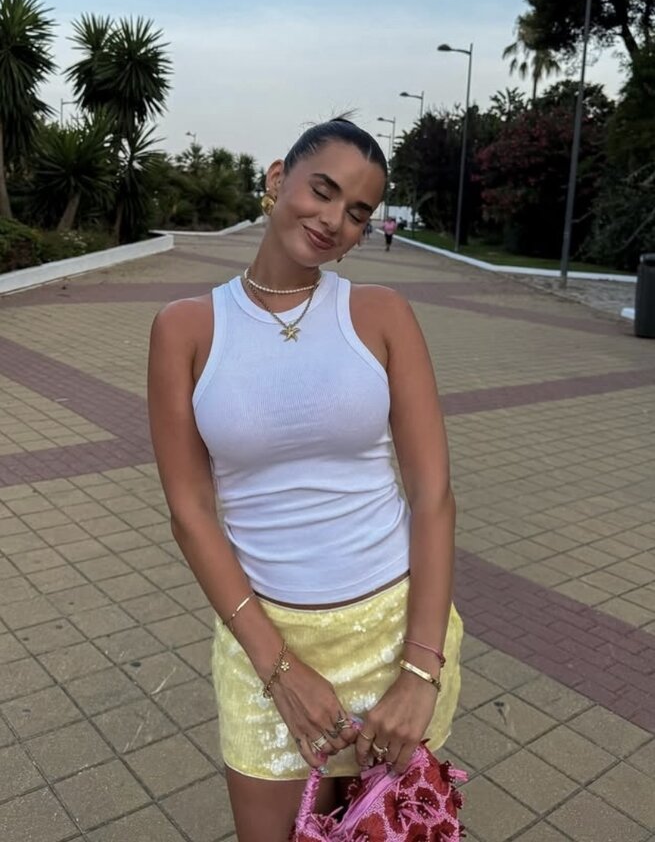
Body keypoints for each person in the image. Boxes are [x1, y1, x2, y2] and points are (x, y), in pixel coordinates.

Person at [148, 119, 462, 842]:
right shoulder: (186, 329)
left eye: (356, 212)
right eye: (322, 191)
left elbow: (433, 496)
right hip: (265, 640)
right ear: (276, 179)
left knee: (389, 830)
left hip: (396, 635)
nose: (332, 220)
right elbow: (190, 512)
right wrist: (279, 668)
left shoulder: (381, 315)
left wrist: (421, 670)